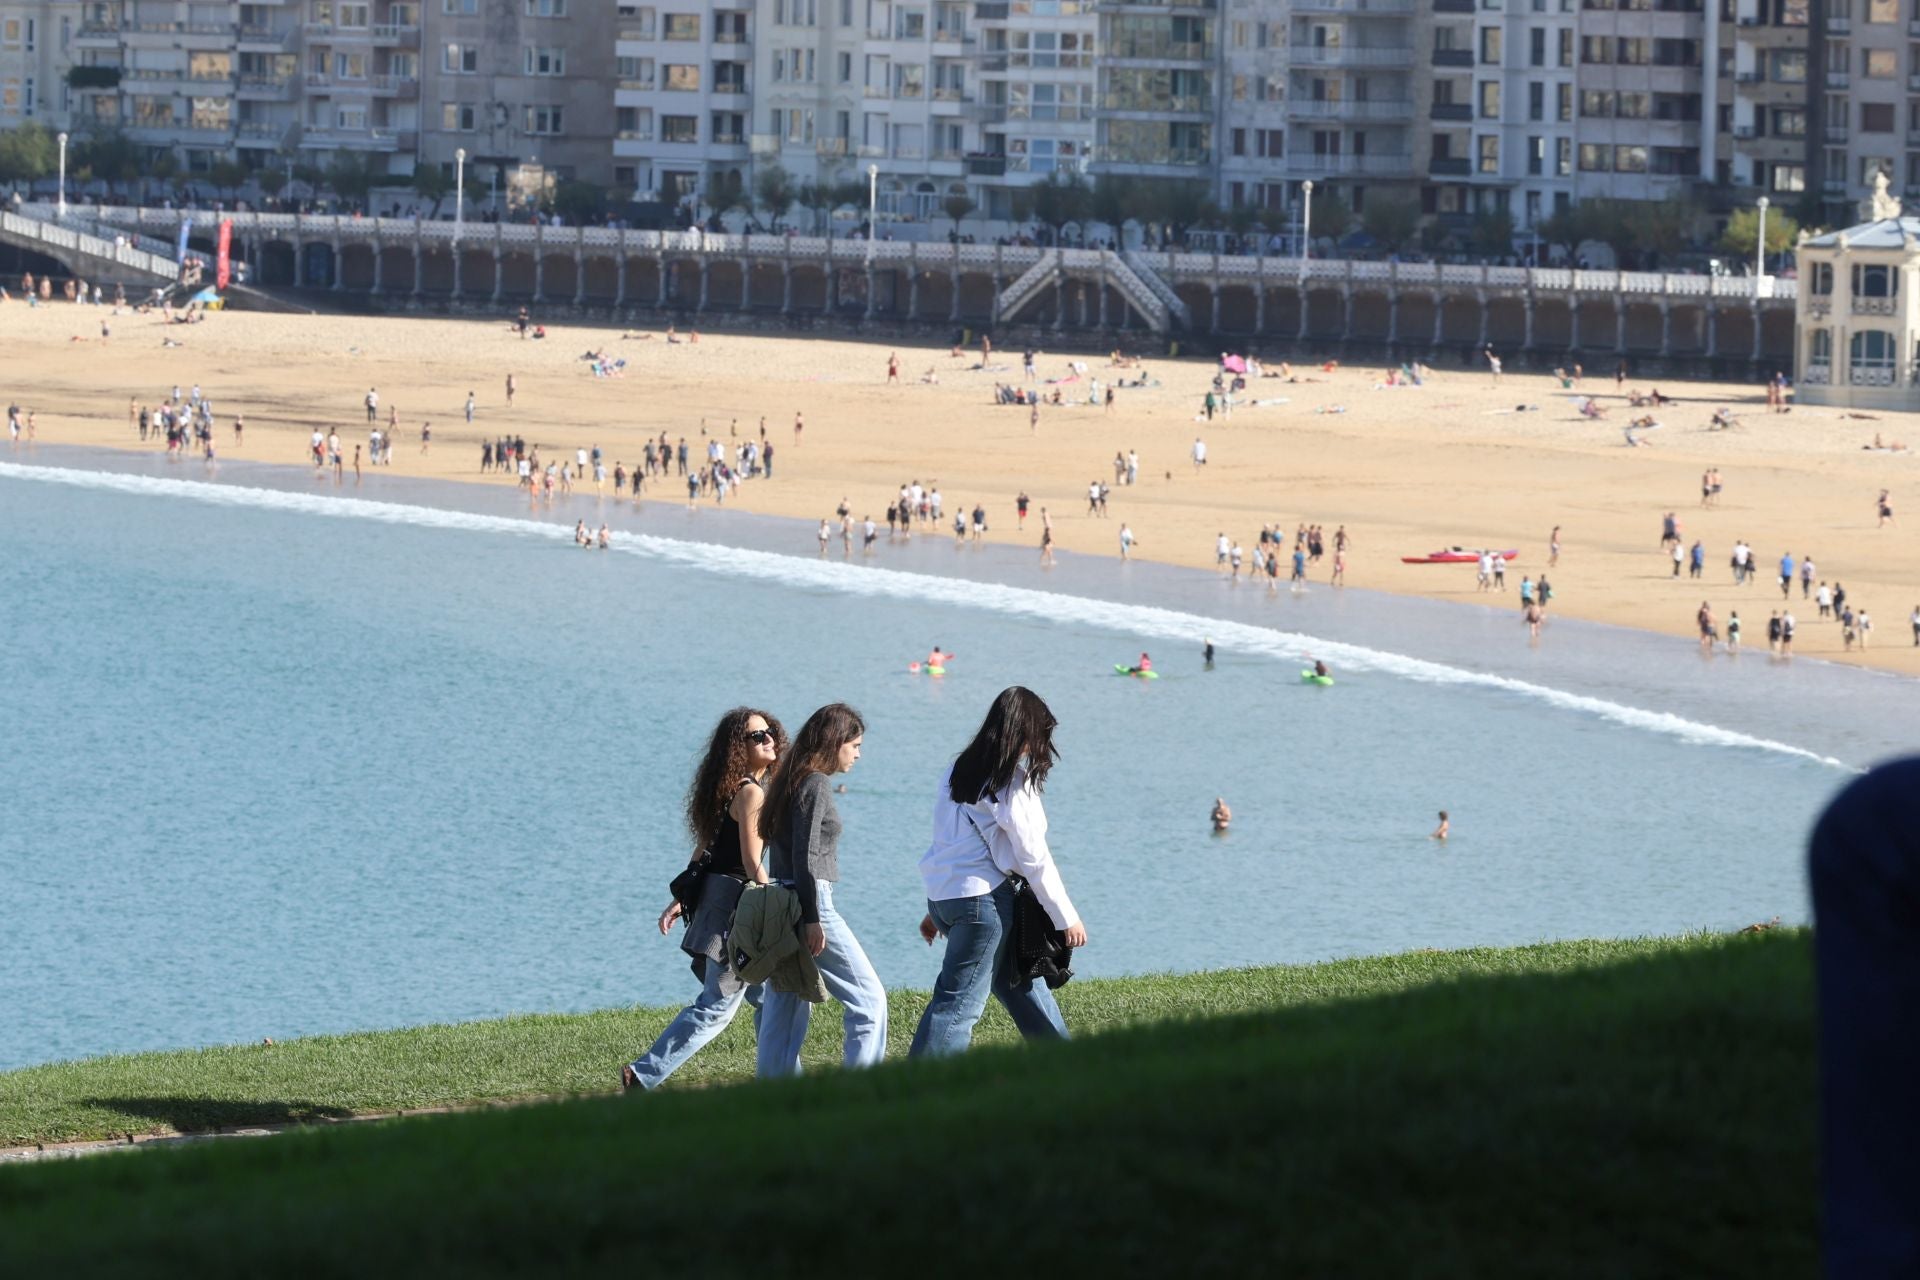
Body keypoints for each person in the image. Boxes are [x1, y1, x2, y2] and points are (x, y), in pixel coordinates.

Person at [909, 687, 1085, 1057]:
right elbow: (1033, 856)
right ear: (1025, 733)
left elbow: (949, 842)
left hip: (948, 896)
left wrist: (938, 910)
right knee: (957, 1006)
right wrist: (1065, 916)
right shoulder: (1010, 782)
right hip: (983, 903)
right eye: (1040, 736)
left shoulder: (957, 770)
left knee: (1018, 983)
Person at [621, 708, 788, 1091]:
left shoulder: (733, 787)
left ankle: (778, 1077)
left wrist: (682, 898)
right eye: (757, 736)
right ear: (738, 748)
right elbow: (749, 861)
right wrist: (778, 901)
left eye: (770, 732)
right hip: (734, 906)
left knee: (768, 994)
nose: (768, 740)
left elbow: (704, 850)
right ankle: (642, 1074)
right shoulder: (751, 793)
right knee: (718, 1005)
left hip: (718, 899)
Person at [756, 703, 886, 1078]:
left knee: (787, 1003)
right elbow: (806, 856)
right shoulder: (815, 784)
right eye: (855, 745)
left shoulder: (789, 779)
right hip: (810, 902)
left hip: (783, 900)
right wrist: (813, 919)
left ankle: (772, 1103)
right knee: (869, 1001)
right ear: (835, 742)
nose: (858, 754)